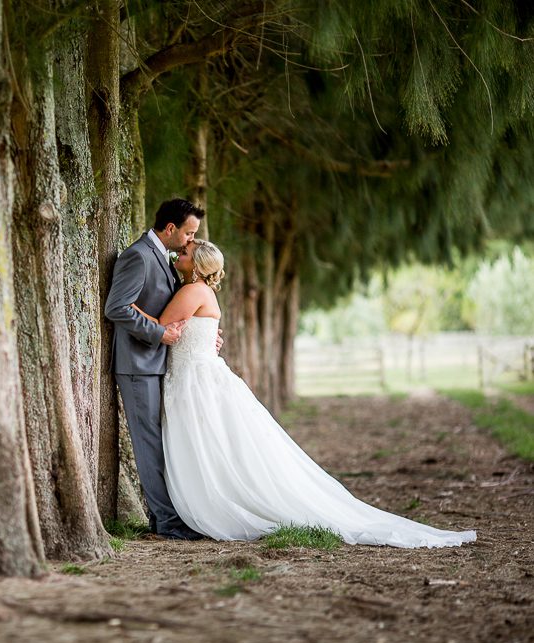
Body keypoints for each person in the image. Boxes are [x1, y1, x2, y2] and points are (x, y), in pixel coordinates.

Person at [133, 239, 476, 547]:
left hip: (194, 380)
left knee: (204, 442)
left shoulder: (192, 292)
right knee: (213, 443)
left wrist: (129, 309)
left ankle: (212, 504)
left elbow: (159, 326)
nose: (179, 253)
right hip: (195, 374)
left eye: (186, 252)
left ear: (198, 265)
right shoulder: (201, 292)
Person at [104, 198, 221, 540]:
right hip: (138, 364)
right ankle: (168, 522)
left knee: (161, 442)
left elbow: (176, 311)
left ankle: (166, 518)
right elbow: (117, 307)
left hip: (159, 364)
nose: (190, 241)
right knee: (149, 444)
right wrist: (159, 333)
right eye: (189, 233)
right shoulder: (138, 256)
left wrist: (202, 335)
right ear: (171, 228)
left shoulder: (165, 258)